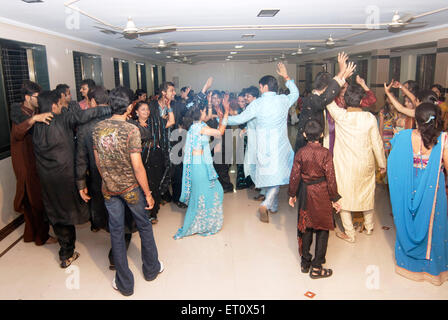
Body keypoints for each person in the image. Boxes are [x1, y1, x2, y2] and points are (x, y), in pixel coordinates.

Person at [93, 87, 163, 296]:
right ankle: (151, 269)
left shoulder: (97, 128)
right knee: (144, 226)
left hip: (109, 189)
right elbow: (138, 166)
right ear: (130, 106)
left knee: (116, 232)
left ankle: (124, 284)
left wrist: (108, 178)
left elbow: (98, 161)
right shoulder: (131, 129)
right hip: (131, 188)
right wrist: (148, 193)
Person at [32, 90, 111, 268]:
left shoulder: (35, 127)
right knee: (77, 206)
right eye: (61, 104)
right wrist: (109, 108)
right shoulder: (61, 119)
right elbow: (87, 114)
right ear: (54, 106)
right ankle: (99, 225)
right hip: (66, 176)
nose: (63, 107)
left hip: (46, 179)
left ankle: (66, 253)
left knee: (58, 214)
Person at [226, 62, 299, 223]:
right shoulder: (282, 100)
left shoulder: (257, 104)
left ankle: (270, 205)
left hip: (263, 145)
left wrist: (221, 119)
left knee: (270, 176)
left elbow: (239, 119)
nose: (259, 89)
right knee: (277, 176)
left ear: (264, 87)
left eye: (260, 87)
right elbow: (296, 93)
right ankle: (269, 205)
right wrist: (286, 76)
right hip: (280, 145)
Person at [75, 86, 136, 270]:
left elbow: (80, 157)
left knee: (111, 215)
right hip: (125, 178)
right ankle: (118, 253)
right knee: (123, 217)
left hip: (99, 179)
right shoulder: (122, 122)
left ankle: (116, 251)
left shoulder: (86, 127)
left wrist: (80, 182)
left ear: (92, 102)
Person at [325, 60, 386, 243]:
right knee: (366, 193)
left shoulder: (341, 116)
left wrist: (341, 75)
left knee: (344, 196)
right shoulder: (369, 117)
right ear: (361, 101)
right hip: (365, 163)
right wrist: (382, 164)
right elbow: (377, 143)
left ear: (344, 100)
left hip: (344, 165)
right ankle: (369, 227)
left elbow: (327, 99)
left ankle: (349, 233)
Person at [387, 103, 448, 286]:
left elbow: (393, 161)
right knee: (434, 227)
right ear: (436, 119)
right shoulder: (443, 140)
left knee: (409, 221)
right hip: (433, 192)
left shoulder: (404, 136)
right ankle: (432, 272)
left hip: (408, 188)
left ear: (417, 119)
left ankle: (408, 267)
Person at [288, 120, 341, 279]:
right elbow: (330, 178)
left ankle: (305, 262)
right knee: (323, 228)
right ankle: (317, 267)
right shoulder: (325, 153)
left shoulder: (301, 153)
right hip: (322, 192)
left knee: (306, 226)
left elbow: (295, 176)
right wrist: (334, 198)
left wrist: (292, 194)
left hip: (305, 192)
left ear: (304, 135)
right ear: (322, 135)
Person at [174, 95, 230, 239]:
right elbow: (220, 132)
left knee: (207, 193)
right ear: (200, 114)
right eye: (205, 111)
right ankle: (204, 224)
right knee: (207, 193)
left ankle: (204, 222)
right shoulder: (199, 127)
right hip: (200, 165)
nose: (206, 113)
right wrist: (227, 113)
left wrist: (215, 109)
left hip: (198, 163)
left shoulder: (196, 126)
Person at [9, 80, 56, 246]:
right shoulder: (19, 112)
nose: (38, 100)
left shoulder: (33, 110)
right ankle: (41, 237)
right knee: (36, 201)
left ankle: (30, 235)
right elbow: (18, 133)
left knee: (31, 201)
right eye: (36, 97)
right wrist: (35, 119)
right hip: (25, 164)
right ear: (27, 97)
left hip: (33, 161)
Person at [294, 52, 349, 153]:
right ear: (327, 87)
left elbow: (327, 97)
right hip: (307, 148)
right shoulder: (313, 100)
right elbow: (325, 98)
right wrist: (341, 73)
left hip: (314, 145)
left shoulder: (316, 98)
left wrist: (343, 76)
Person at [129, 100, 174, 223]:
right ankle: (141, 212)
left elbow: (171, 121)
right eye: (143, 109)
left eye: (147, 109)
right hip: (139, 158)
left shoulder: (155, 122)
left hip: (155, 156)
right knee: (142, 184)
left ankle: (153, 213)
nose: (146, 111)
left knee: (154, 183)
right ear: (136, 112)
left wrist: (169, 107)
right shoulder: (132, 125)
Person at [327, 75, 377, 155]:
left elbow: (372, 100)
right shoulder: (333, 101)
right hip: (335, 134)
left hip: (351, 137)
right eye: (343, 88)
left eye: (347, 88)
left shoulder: (354, 101)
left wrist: (363, 85)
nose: (345, 90)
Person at [148, 82, 176, 204]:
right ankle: (158, 194)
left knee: (170, 167)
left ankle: (161, 192)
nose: (174, 93)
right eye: (171, 90)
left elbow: (174, 122)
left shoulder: (174, 105)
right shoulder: (152, 106)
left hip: (170, 141)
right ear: (164, 93)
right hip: (156, 144)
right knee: (158, 169)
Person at [207, 90, 234, 193]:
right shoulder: (210, 110)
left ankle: (227, 186)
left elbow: (232, 117)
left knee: (223, 163)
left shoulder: (224, 107)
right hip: (214, 139)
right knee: (217, 163)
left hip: (226, 138)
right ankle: (221, 184)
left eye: (218, 98)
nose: (216, 100)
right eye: (213, 98)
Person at [235, 89, 254, 190]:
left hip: (249, 138)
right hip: (241, 137)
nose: (240, 103)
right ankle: (241, 182)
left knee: (248, 160)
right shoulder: (239, 111)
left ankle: (249, 181)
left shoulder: (250, 111)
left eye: (242, 101)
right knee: (240, 159)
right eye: (239, 101)